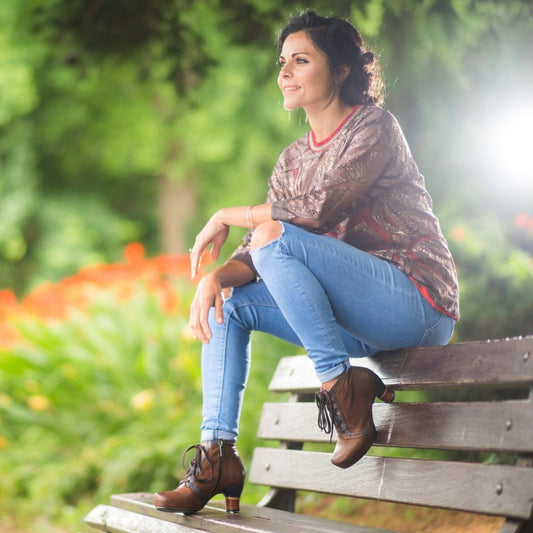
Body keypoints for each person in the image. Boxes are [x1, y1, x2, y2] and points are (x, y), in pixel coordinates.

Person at [154, 10, 459, 515]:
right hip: (360, 323)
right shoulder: (292, 160)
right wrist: (215, 278)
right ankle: (217, 455)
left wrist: (227, 213)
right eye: (282, 62)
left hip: (417, 304)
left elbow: (315, 212)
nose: (285, 73)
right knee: (229, 304)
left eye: (301, 60)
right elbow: (257, 252)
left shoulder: (374, 128)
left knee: (273, 234)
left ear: (341, 69)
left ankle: (339, 385)